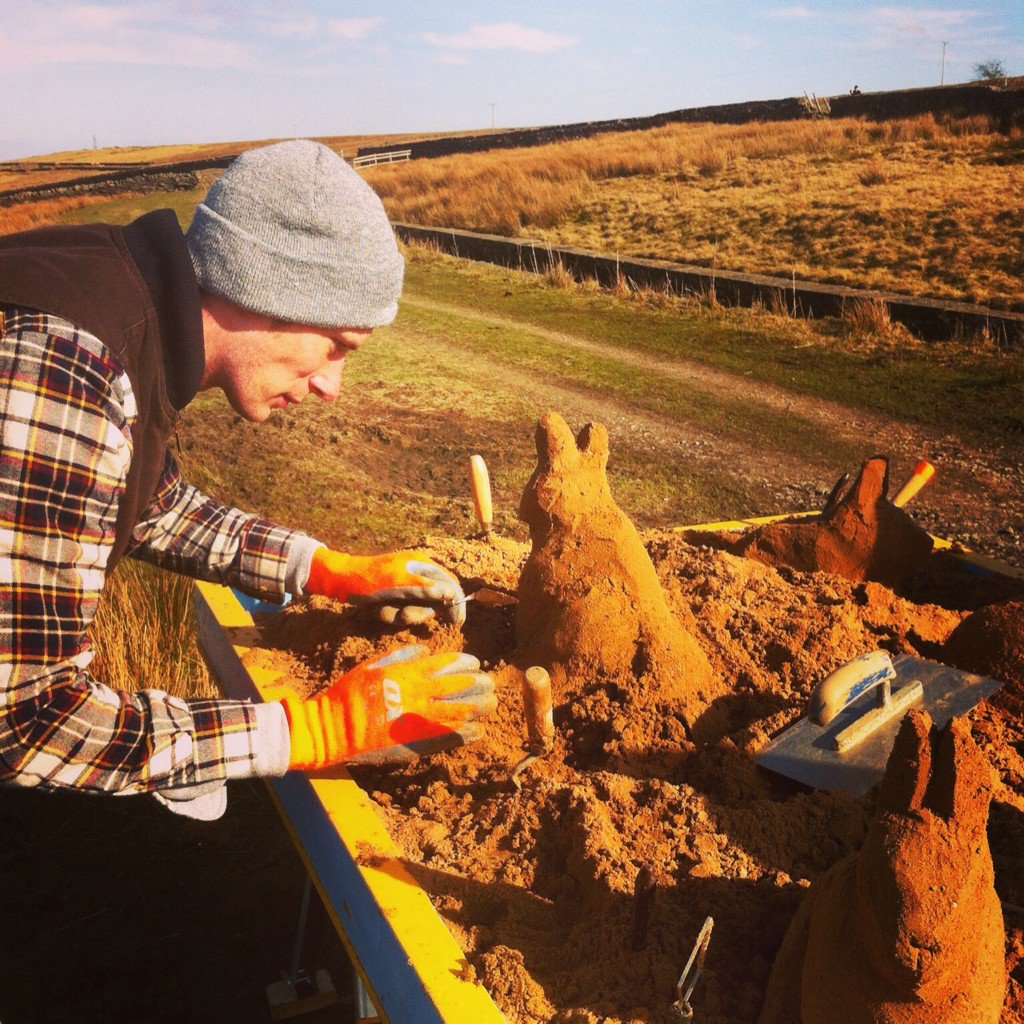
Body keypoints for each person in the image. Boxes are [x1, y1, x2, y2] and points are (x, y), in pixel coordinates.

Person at [0, 140, 495, 820]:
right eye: (336, 347)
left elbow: (148, 506)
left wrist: (322, 568)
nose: (331, 386)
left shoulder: (116, 296)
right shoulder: (64, 365)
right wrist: (310, 732)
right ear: (270, 289)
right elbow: (27, 720)